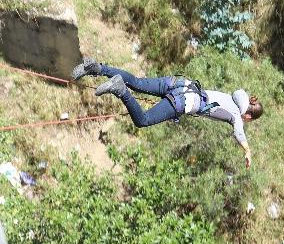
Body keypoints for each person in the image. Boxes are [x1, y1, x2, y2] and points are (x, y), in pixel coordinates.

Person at [72, 58, 263, 169]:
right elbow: (239, 132)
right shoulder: (237, 115)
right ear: (248, 116)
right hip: (182, 101)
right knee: (143, 120)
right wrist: (247, 150)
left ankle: (96, 68)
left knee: (137, 82)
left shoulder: (233, 97)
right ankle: (120, 89)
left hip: (178, 84)